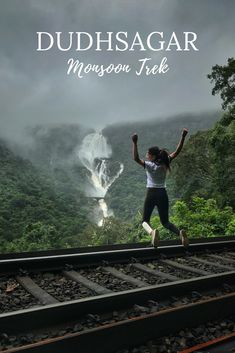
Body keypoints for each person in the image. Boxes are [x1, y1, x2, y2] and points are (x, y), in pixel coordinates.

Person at [132, 128, 189, 248]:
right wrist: (183, 137)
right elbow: (177, 152)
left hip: (151, 193)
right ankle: (180, 233)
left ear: (152, 156)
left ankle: (152, 232)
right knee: (166, 222)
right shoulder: (165, 162)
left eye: (148, 154)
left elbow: (136, 158)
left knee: (144, 221)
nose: (146, 155)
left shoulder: (149, 165)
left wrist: (135, 143)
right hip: (163, 193)